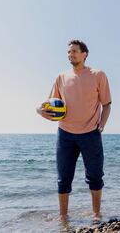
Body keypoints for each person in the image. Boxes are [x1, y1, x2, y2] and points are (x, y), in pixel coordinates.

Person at [36, 40, 112, 222]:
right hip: (65, 135)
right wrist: (39, 110)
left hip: (90, 134)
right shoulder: (61, 77)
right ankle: (63, 218)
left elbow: (106, 104)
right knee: (63, 178)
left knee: (95, 177)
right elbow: (50, 104)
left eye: (75, 51)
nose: (71, 54)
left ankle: (96, 215)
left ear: (84, 54)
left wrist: (101, 126)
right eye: (69, 52)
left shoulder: (98, 75)